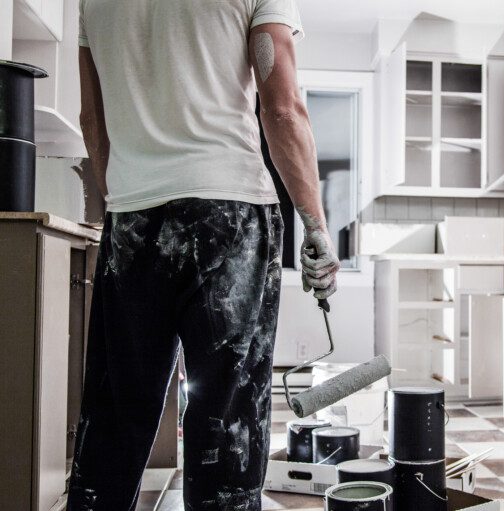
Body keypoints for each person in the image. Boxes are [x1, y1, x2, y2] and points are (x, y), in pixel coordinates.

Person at [68, 0, 340, 509]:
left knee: (116, 413)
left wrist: (126, 200)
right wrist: (316, 225)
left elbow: (92, 120)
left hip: (132, 218)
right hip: (229, 215)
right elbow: (281, 109)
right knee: (226, 421)